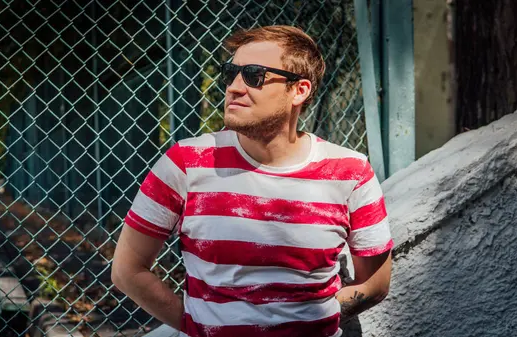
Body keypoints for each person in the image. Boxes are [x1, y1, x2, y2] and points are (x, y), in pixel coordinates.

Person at [112, 25, 393, 337]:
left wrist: (315, 318)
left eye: (253, 75)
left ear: (299, 90)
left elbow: (375, 283)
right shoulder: (185, 163)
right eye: (231, 73)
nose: (233, 87)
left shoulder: (350, 171)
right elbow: (128, 270)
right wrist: (197, 325)